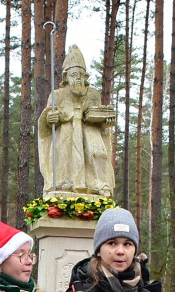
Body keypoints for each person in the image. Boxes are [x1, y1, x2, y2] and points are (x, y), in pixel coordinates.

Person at [37, 45, 117, 197]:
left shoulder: (93, 95)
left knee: (98, 151)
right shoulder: (58, 95)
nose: (78, 78)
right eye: (74, 75)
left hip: (90, 133)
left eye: (81, 75)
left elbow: (101, 121)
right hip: (66, 133)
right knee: (63, 151)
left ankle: (98, 184)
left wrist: (105, 122)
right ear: (66, 77)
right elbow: (47, 120)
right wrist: (51, 118)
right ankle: (63, 182)